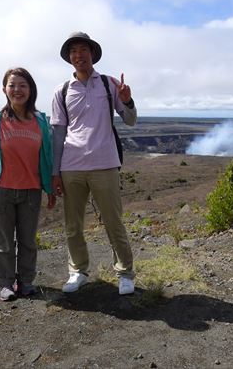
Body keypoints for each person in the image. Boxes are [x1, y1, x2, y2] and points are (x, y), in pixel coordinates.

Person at [51, 31, 137, 295]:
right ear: (69, 58)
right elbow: (57, 134)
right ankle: (78, 272)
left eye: (83, 50)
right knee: (73, 224)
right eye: (74, 51)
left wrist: (127, 101)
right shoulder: (62, 91)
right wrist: (55, 173)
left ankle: (125, 273)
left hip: (105, 164)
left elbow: (130, 120)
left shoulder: (109, 84)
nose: (79, 55)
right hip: (71, 166)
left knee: (113, 221)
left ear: (92, 54)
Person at [0, 67, 56, 301]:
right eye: (12, 85)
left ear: (31, 90)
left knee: (28, 241)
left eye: (23, 85)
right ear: (4, 90)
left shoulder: (40, 121)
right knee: (2, 243)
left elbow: (47, 157)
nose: (17, 90)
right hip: (1, 191)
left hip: (31, 191)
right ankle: (6, 284)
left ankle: (26, 282)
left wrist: (49, 189)